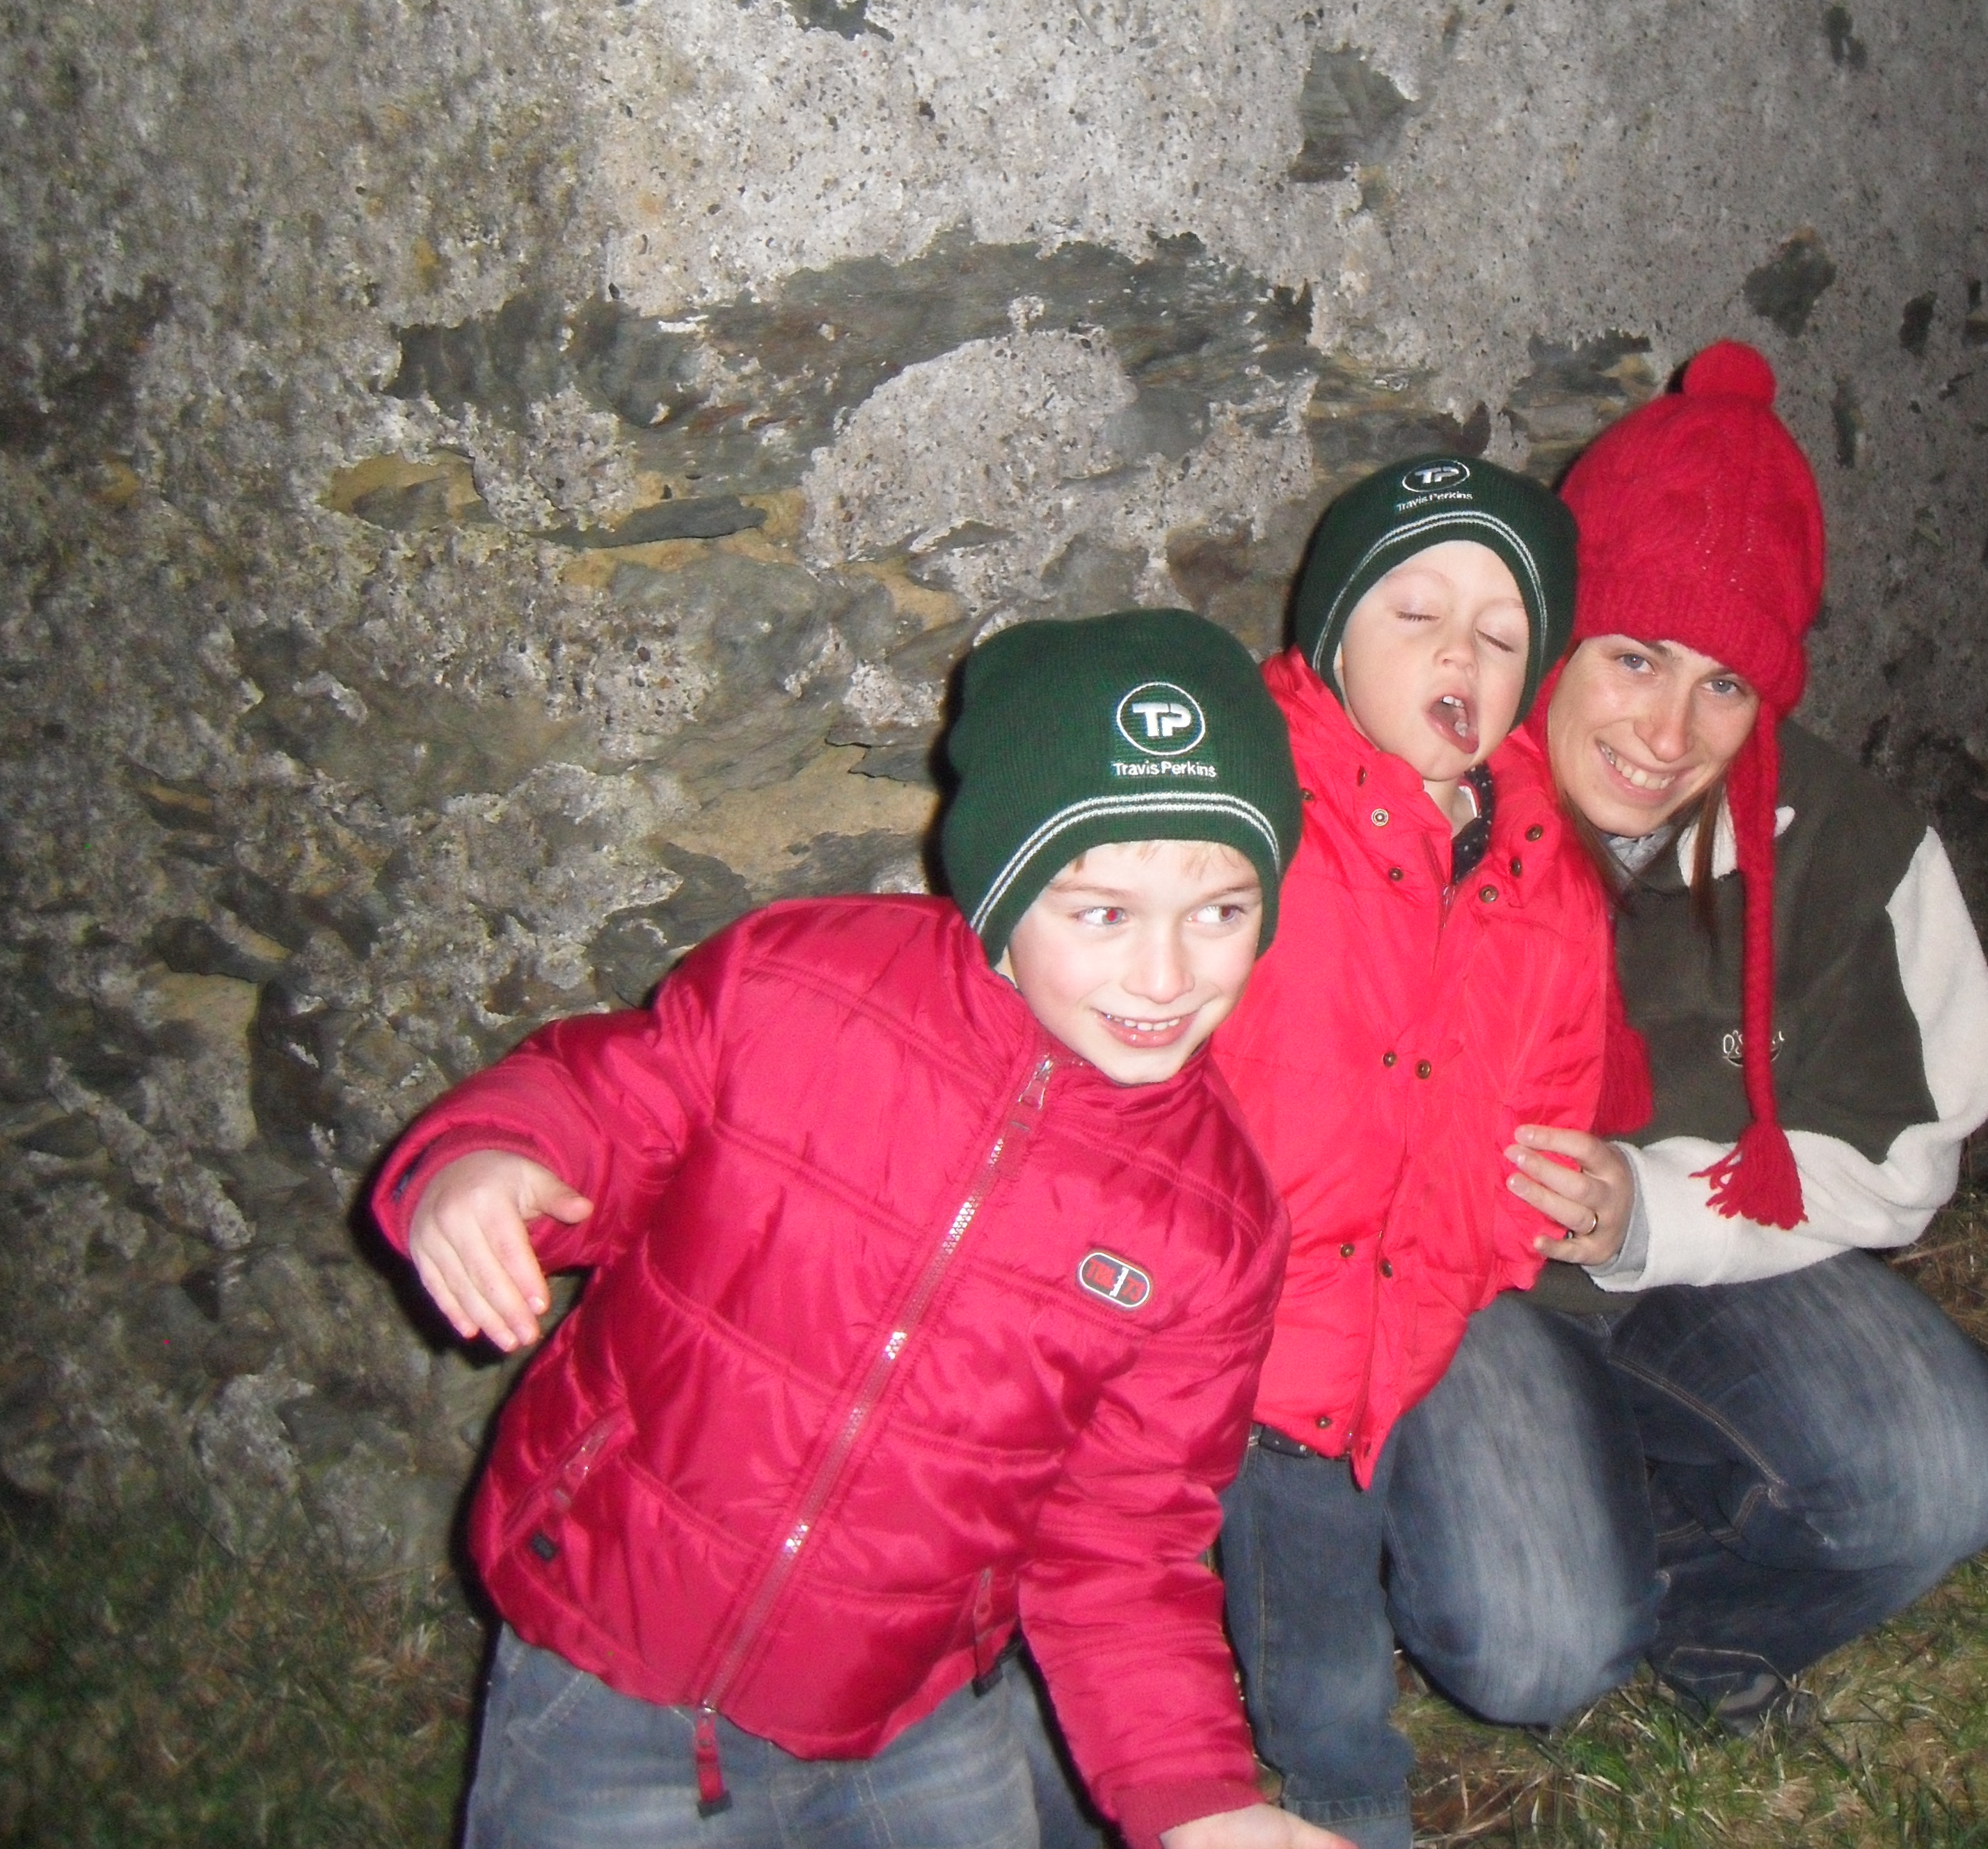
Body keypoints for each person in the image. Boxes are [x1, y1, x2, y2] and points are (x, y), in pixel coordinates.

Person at [369, 609, 1351, 1849]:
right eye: (1101, 912)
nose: (1167, 977)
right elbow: (602, 1108)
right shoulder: (796, 986)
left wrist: (1196, 1798)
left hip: (909, 1709)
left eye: (1220, 911)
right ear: (1001, 883)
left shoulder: (1214, 1226)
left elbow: (1123, 1540)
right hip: (611, 1658)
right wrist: (489, 1160)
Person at [1413, 337, 1988, 1733]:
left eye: (1725, 684)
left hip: (1711, 1262)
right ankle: (1567, 1544)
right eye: (1634, 658)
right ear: (1558, 636)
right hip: (1464, 1294)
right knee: (1532, 1655)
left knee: (1941, 1476)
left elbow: (1904, 1147)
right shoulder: (1424, 801)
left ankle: (1701, 1609)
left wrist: (1650, 1208)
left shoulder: (1849, 846)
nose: (1667, 732)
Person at [1202, 455, 1621, 1849]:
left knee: (1349, 1557)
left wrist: (1493, 1246)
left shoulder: (1540, 858)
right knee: (1313, 1631)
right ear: (1329, 640)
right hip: (1267, 1337)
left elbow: (1555, 1076)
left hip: (1420, 1304)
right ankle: (1340, 1801)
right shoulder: (1256, 810)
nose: (1460, 654)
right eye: (1415, 615)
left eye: (1501, 636)